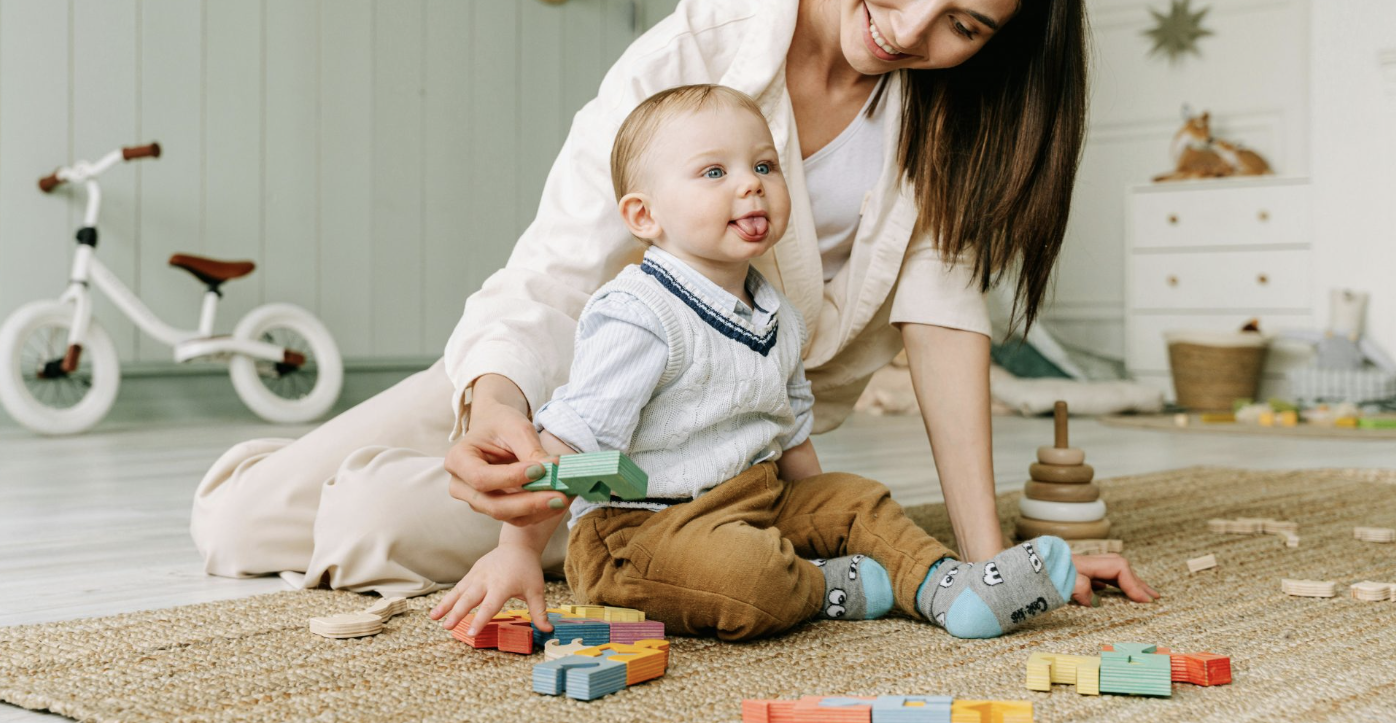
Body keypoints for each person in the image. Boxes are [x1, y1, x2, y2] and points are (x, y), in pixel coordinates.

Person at [191, 0, 1158, 606]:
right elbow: (557, 266)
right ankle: (444, 474)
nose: (911, 30)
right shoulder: (704, 43)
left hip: (712, 448)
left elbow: (945, 330)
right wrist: (493, 405)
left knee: (367, 519)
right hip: (576, 372)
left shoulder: (950, 125)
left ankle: (651, 535)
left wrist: (989, 562)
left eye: (964, 25)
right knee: (234, 522)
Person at [430, 83, 1080, 641]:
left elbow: (789, 429)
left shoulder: (776, 311)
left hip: (754, 497)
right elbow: (570, 446)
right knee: (749, 575)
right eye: (714, 172)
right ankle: (824, 586)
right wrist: (514, 549)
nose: (750, 184)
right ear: (643, 214)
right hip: (640, 532)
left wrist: (823, 517)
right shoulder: (638, 313)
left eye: (765, 166)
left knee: (859, 499)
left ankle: (951, 588)